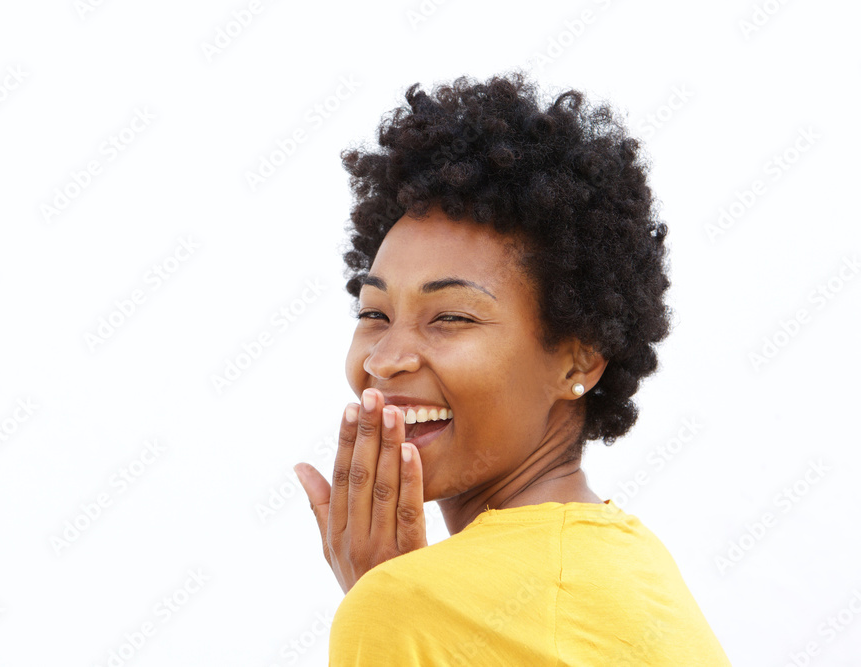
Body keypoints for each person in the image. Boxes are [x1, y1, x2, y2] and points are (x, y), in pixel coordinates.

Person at [293, 70, 731, 665]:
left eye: (450, 317)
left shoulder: (408, 609)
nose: (385, 358)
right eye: (374, 312)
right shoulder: (630, 562)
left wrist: (393, 605)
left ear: (580, 358)